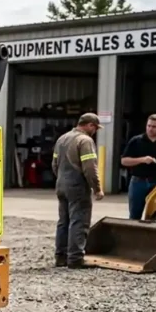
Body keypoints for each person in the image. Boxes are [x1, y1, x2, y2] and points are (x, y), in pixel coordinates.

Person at [52, 113, 104, 268]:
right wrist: (97, 188)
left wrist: (62, 179)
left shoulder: (62, 139)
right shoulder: (85, 140)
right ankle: (75, 259)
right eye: (95, 128)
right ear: (90, 125)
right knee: (79, 221)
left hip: (61, 184)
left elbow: (54, 164)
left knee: (63, 221)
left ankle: (61, 257)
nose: (95, 131)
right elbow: (90, 167)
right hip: (77, 186)